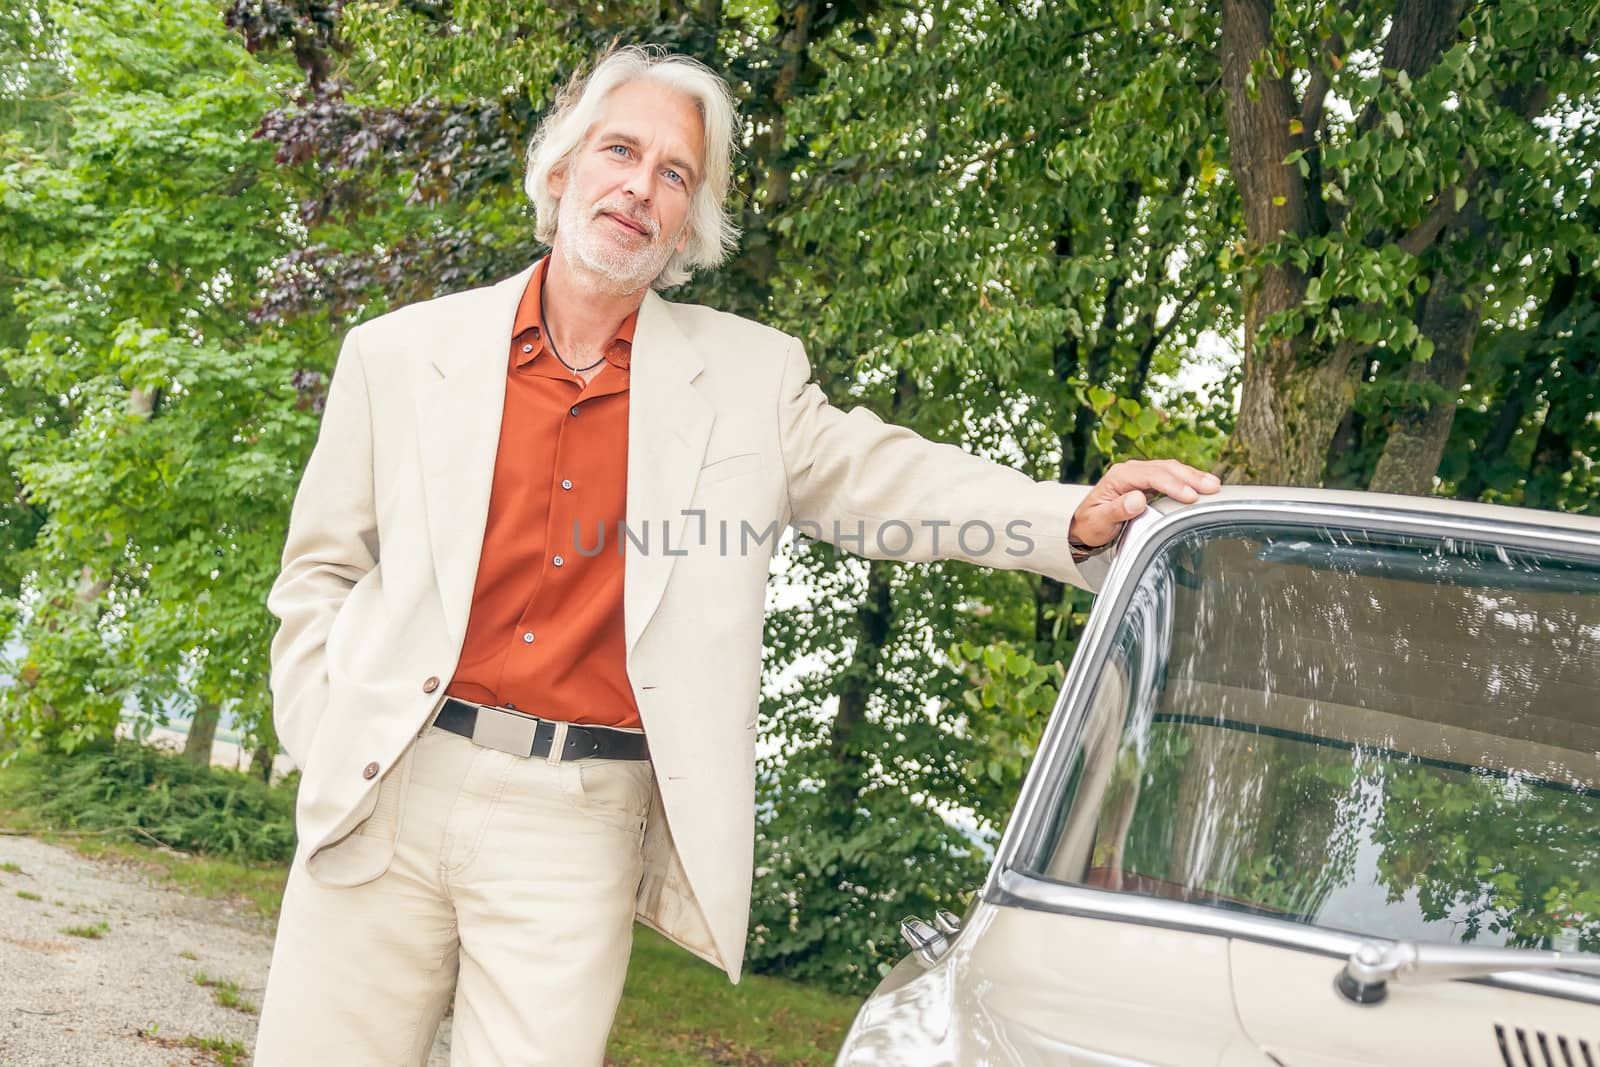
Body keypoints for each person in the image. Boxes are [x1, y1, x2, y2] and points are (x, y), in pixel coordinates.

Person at [253, 44, 1219, 1067]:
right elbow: (317, 572)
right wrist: (324, 728)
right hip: (387, 782)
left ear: (688, 222)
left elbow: (891, 481)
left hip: (578, 826)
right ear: (560, 168)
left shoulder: (749, 379)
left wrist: (1069, 515)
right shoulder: (398, 353)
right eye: (620, 150)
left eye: (676, 173)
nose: (640, 185)